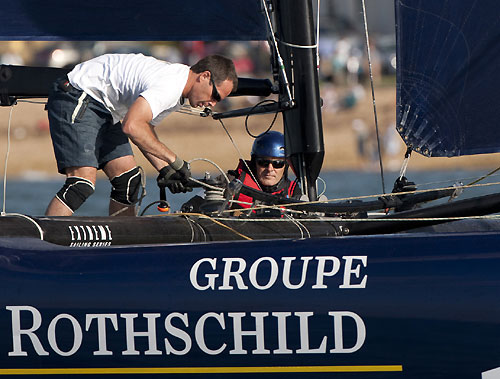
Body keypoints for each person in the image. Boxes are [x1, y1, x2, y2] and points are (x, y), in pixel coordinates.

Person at [44, 53, 237, 216]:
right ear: (204, 76)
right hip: (79, 94)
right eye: (216, 96)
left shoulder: (179, 90)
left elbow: (144, 131)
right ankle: (44, 246)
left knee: (129, 182)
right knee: (81, 184)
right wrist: (175, 161)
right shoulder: (171, 85)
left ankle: (122, 247)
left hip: (106, 109)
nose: (213, 103)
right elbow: (132, 126)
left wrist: (166, 169)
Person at [229, 131, 301, 209]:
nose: (270, 169)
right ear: (254, 164)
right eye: (263, 163)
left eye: (277, 163)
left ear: (286, 166)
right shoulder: (230, 181)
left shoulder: (293, 192)